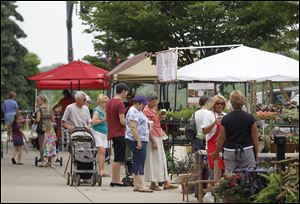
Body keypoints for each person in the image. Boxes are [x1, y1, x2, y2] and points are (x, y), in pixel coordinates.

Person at [213, 90, 259, 174]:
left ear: (231, 102)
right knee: (250, 176)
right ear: (243, 102)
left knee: (230, 178)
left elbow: (221, 138)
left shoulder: (225, 119)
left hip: (229, 151)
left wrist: (216, 153)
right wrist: (256, 152)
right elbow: (255, 137)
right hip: (247, 150)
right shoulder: (250, 118)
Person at [143, 92, 178, 191]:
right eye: (153, 102)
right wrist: (153, 141)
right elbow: (149, 126)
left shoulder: (153, 109)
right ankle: (154, 182)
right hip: (153, 136)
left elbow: (155, 122)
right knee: (155, 159)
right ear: (148, 101)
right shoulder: (146, 110)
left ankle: (165, 181)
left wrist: (160, 118)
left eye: (156, 102)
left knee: (161, 159)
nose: (155, 104)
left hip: (158, 134)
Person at [201, 94, 226, 202]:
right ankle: (209, 195)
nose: (219, 105)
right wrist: (214, 123)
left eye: (221, 103)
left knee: (222, 172)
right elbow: (204, 131)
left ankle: (219, 195)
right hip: (212, 146)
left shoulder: (226, 115)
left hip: (224, 146)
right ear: (213, 104)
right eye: (217, 103)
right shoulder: (209, 115)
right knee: (213, 171)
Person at [125, 95, 153, 193]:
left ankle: (137, 184)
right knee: (140, 160)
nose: (144, 106)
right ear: (137, 103)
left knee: (137, 160)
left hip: (140, 138)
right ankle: (142, 185)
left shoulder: (138, 111)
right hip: (136, 139)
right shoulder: (133, 111)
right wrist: (138, 140)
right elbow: (133, 127)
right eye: (143, 104)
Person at [106, 82, 130, 187]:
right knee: (119, 158)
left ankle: (114, 179)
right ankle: (116, 179)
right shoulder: (120, 103)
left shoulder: (110, 102)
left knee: (116, 157)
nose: (126, 95)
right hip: (120, 132)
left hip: (112, 132)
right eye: (126, 92)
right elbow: (122, 120)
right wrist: (130, 124)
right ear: (123, 91)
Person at [91, 94, 110, 177]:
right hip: (97, 132)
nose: (107, 103)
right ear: (101, 102)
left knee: (103, 152)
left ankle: (102, 170)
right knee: (101, 151)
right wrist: (103, 120)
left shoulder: (107, 110)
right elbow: (94, 122)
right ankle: (101, 171)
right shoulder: (97, 110)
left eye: (107, 102)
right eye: (105, 102)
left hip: (104, 133)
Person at [34, 95, 55, 164]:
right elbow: (53, 119)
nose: (37, 102)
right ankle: (50, 160)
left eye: (38, 101)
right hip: (50, 127)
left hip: (42, 127)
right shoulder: (50, 108)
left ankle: (43, 161)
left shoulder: (39, 109)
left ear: (42, 100)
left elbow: (38, 119)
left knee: (42, 144)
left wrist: (33, 119)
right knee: (49, 144)